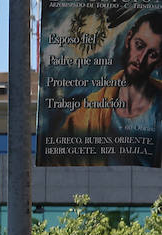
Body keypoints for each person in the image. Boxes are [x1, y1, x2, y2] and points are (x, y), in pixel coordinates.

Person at [60, 12, 162, 167]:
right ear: (128, 39)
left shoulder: (158, 109)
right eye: (139, 45)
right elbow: (61, 161)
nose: (140, 59)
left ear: (159, 62)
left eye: (152, 54)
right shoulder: (91, 109)